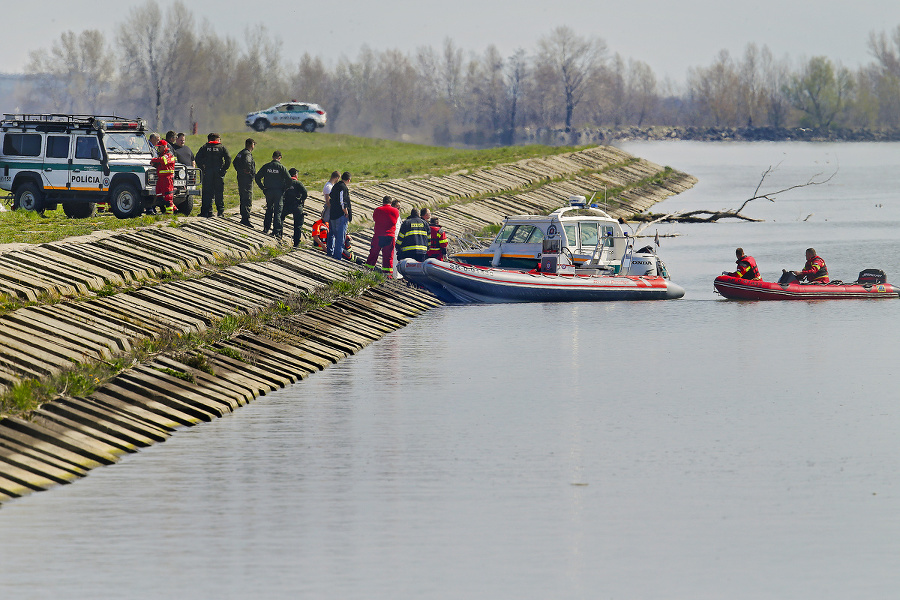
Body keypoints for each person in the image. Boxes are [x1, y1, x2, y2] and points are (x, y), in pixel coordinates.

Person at [255, 150, 292, 239]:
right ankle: (276, 231)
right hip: (278, 192)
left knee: (269, 209)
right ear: (280, 158)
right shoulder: (281, 168)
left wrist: (262, 187)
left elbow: (257, 177)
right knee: (278, 211)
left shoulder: (266, 166)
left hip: (268, 191)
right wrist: (285, 189)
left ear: (272, 157)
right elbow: (289, 180)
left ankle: (266, 228)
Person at [195, 132, 231, 217]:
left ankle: (206, 212)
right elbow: (228, 158)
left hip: (208, 173)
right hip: (218, 173)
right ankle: (220, 211)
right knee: (219, 192)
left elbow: (197, 158)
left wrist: (202, 168)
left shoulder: (204, 147)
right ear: (216, 139)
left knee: (207, 192)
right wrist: (224, 169)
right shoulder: (221, 147)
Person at [366, 195, 401, 276]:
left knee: (373, 253)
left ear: (383, 202)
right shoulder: (395, 211)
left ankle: (368, 270)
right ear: (391, 202)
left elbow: (375, 219)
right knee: (388, 256)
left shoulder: (377, 210)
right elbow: (395, 221)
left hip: (378, 235)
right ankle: (388, 274)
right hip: (390, 236)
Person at [328, 172, 353, 260]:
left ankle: (331, 252)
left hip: (333, 214)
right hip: (340, 215)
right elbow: (343, 202)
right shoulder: (343, 187)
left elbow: (331, 197)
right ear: (348, 180)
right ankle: (337, 256)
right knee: (340, 237)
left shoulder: (335, 186)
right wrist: (346, 212)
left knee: (334, 235)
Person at [232, 138, 256, 227]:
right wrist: (248, 172)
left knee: (243, 197)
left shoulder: (241, 153)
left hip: (241, 178)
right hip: (247, 180)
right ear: (251, 145)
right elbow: (248, 163)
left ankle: (243, 216)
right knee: (247, 198)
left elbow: (235, 162)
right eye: (254, 144)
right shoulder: (247, 154)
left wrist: (240, 171)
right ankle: (246, 218)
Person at [282, 167, 308, 248]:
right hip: (297, 205)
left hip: (286, 205)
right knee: (298, 224)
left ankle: (278, 235)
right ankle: (296, 243)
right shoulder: (298, 183)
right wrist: (302, 200)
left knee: (280, 218)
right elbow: (305, 193)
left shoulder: (285, 182)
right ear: (295, 175)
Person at [150, 140, 177, 213]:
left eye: (160, 147)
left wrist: (154, 160)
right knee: (159, 195)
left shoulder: (168, 154)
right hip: (161, 178)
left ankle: (169, 213)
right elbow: (160, 164)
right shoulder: (162, 154)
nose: (158, 149)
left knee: (168, 196)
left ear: (164, 147)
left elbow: (163, 160)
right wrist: (155, 164)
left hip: (167, 178)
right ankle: (174, 209)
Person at [322, 171, 340, 253]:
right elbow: (328, 202)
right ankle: (330, 249)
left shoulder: (330, 185)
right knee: (331, 232)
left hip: (331, 211)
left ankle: (331, 248)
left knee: (332, 231)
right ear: (336, 178)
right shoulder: (328, 187)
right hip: (330, 211)